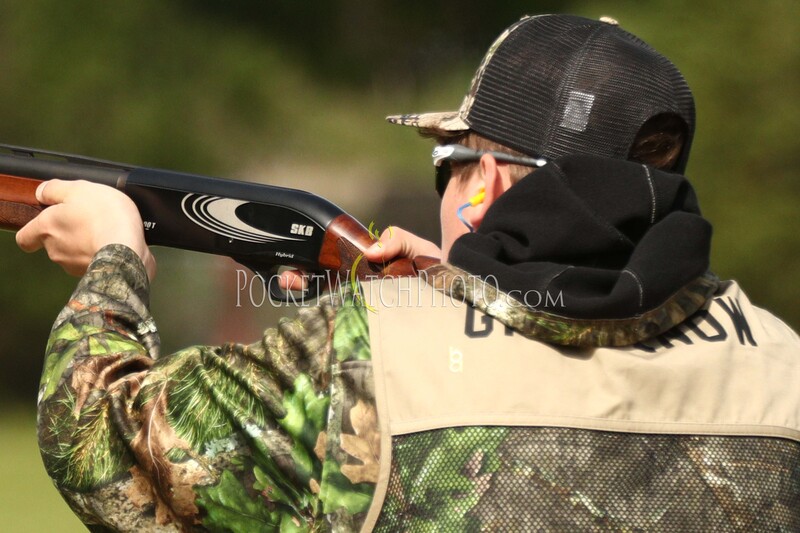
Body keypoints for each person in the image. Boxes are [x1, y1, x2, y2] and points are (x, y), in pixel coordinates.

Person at [16, 14, 800, 532]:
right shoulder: (781, 365)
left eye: (448, 164)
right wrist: (455, 291)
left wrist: (113, 261)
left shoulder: (363, 353)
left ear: (488, 181)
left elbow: (104, 448)